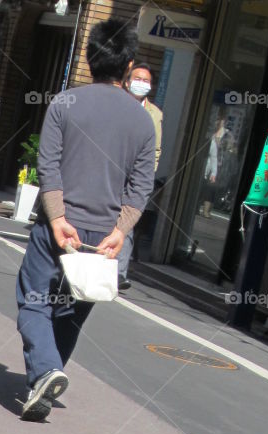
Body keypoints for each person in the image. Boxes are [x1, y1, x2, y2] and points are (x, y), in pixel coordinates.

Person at [14, 19, 154, 421]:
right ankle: (47, 375)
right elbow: (140, 185)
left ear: (89, 58)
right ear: (128, 66)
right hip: (104, 232)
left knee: (34, 299)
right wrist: (120, 232)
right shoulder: (142, 120)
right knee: (72, 311)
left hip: (58, 226)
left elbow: (49, 164)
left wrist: (56, 218)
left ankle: (46, 371)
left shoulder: (65, 103)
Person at [118, 62, 163, 288]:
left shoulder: (155, 114)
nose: (141, 84)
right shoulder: (116, 104)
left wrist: (148, 173)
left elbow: (156, 148)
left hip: (136, 177)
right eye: (137, 79)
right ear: (127, 82)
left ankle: (119, 273)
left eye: (146, 81)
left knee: (127, 220)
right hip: (112, 170)